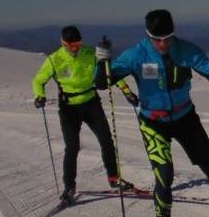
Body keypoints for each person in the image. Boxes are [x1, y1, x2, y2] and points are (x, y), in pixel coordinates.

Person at [95, 9, 209, 217]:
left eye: (168, 38)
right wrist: (101, 61)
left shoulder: (186, 50)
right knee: (165, 175)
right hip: (153, 122)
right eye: (157, 39)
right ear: (148, 36)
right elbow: (101, 83)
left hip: (185, 118)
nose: (163, 44)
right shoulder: (135, 55)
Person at [32, 25, 138, 204]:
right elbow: (38, 80)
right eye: (71, 45)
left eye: (78, 44)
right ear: (63, 43)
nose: (75, 48)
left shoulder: (90, 52)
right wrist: (39, 96)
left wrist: (127, 91)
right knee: (72, 147)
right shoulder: (54, 60)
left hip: (91, 102)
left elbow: (108, 72)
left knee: (106, 140)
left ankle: (114, 178)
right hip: (69, 107)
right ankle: (69, 187)